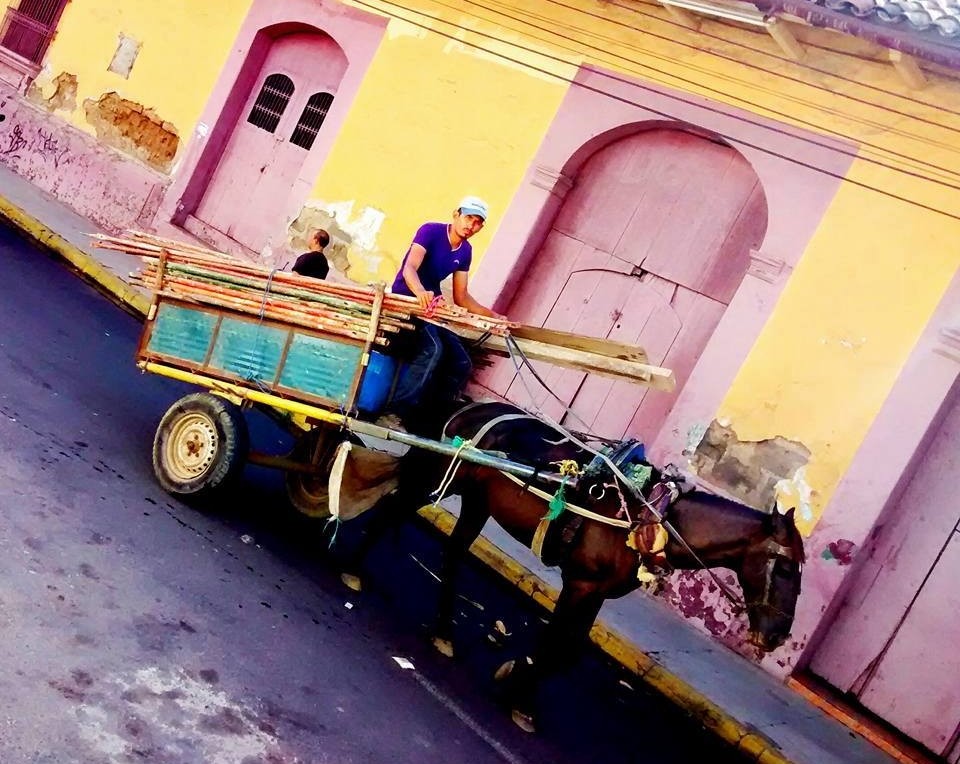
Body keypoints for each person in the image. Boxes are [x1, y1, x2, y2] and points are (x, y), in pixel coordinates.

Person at [390, 196, 503, 421]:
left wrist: (495, 317)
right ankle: (395, 413)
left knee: (462, 362)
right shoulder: (430, 231)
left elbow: (461, 297)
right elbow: (409, 268)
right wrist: (420, 292)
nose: (471, 225)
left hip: (434, 311)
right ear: (456, 214)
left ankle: (432, 418)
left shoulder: (465, 251)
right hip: (408, 301)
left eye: (478, 222)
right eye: (468, 218)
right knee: (433, 349)